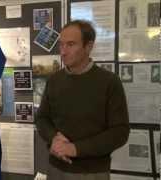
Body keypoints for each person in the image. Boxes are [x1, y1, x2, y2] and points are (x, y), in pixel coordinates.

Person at [36, 20, 130, 180]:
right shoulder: (54, 80)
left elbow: (119, 132)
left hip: (92, 172)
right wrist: (54, 138)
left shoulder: (109, 82)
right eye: (61, 45)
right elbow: (42, 118)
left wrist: (75, 149)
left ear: (88, 46)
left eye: (71, 45)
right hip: (55, 168)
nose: (63, 52)